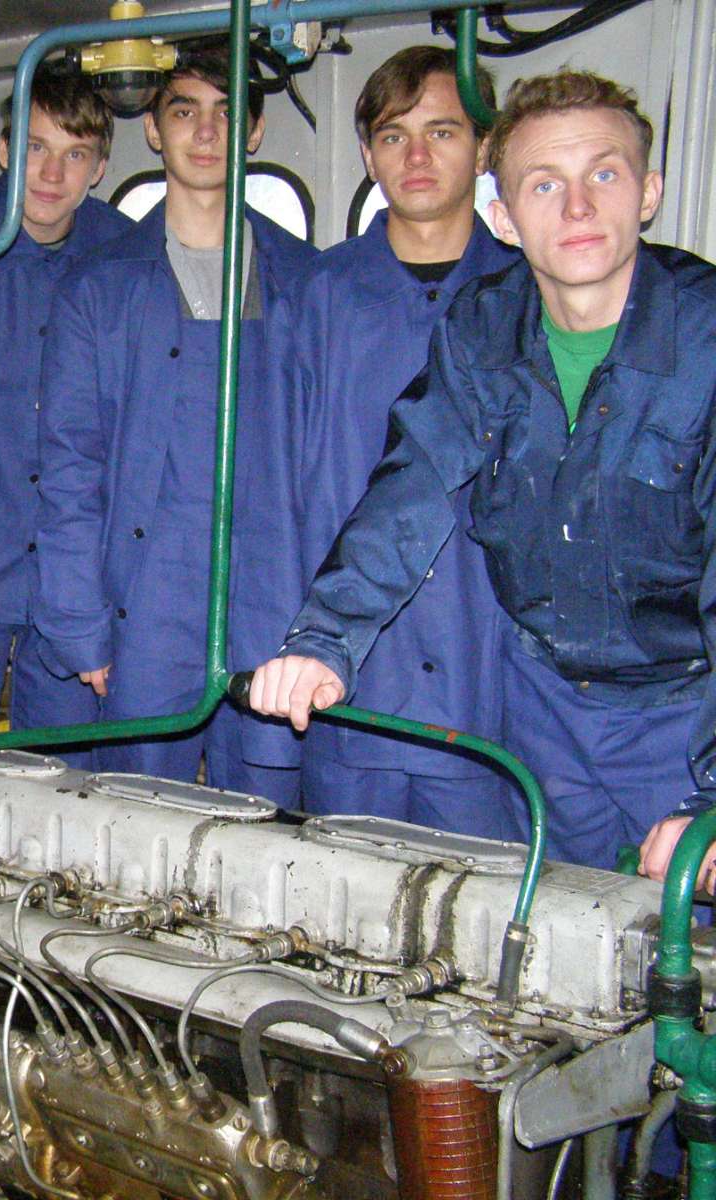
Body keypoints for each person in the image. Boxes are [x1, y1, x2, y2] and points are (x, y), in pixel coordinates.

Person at [247, 71, 716, 881]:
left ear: (649, 194)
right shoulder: (481, 327)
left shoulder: (706, 338)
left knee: (687, 939)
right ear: (504, 216)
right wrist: (325, 640)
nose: (578, 207)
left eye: (604, 174)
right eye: (545, 184)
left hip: (684, 712)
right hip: (542, 708)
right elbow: (414, 485)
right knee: (557, 926)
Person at [32, 44, 314, 795]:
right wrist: (80, 623)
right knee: (137, 815)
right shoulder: (100, 287)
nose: (207, 132)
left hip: (274, 600)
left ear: (255, 131)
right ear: (154, 130)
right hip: (146, 602)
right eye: (185, 111)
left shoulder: (308, 282)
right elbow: (69, 468)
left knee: (266, 821)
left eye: (227, 113)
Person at [265, 47, 522, 836]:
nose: (416, 156)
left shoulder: (532, 297)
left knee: (488, 904)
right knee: (344, 898)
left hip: (492, 703)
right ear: (368, 156)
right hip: (349, 696)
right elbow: (272, 506)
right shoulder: (316, 297)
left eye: (442, 131)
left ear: (484, 147)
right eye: (392, 135)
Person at [0, 60, 131, 763]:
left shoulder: (126, 254)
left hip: (77, 578)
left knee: (67, 779)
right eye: (36, 147)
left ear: (99, 168)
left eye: (75, 154)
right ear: (6, 149)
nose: (51, 173)